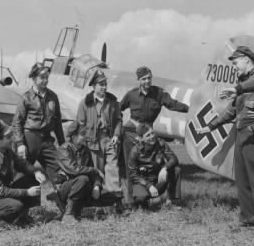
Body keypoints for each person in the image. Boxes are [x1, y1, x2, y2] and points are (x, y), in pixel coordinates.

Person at [196, 46, 254, 233]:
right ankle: (249, 218)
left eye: (236, 62)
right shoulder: (242, 82)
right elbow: (231, 111)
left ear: (247, 59)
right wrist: (210, 127)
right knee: (243, 179)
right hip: (242, 135)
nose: (235, 66)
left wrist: (236, 89)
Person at [120, 66, 189, 208]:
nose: (147, 81)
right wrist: (117, 126)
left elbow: (173, 105)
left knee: (152, 166)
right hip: (131, 134)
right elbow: (117, 109)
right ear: (138, 80)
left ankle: (157, 197)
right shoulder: (131, 95)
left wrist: (190, 109)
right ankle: (131, 202)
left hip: (148, 136)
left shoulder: (159, 93)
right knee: (131, 169)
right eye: (144, 79)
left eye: (149, 78)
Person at [71, 68, 124, 213]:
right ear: (93, 86)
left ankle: (117, 200)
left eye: (105, 84)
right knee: (96, 171)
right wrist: (84, 141)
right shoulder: (85, 103)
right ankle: (95, 202)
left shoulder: (112, 102)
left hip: (108, 139)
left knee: (113, 169)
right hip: (92, 141)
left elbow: (119, 120)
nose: (104, 87)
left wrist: (116, 135)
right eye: (101, 84)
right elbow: (80, 124)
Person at [0, 120, 46, 226]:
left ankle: (22, 215)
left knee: (31, 178)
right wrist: (27, 192)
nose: (12, 139)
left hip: (4, 189)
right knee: (16, 206)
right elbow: (0, 192)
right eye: (8, 137)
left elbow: (23, 164)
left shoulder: (7, 151)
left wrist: (36, 172)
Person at [12, 62, 65, 190]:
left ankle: (66, 207)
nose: (45, 80)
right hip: (30, 139)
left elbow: (57, 122)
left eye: (47, 77)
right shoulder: (26, 98)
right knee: (23, 171)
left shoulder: (53, 97)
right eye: (42, 77)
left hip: (47, 140)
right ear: (34, 78)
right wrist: (20, 144)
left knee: (58, 171)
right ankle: (23, 206)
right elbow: (17, 122)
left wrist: (63, 144)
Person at [48, 124, 104, 223]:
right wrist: (93, 169)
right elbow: (74, 170)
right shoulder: (63, 149)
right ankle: (68, 214)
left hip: (82, 187)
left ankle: (88, 210)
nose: (86, 137)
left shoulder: (85, 150)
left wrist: (96, 186)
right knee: (83, 179)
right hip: (65, 188)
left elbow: (93, 174)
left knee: (109, 194)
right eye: (82, 134)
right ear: (73, 136)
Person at [128, 123, 181, 210]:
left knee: (176, 170)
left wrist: (165, 168)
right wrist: (149, 185)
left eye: (152, 133)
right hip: (144, 182)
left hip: (159, 179)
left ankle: (170, 202)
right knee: (141, 199)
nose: (152, 136)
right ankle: (148, 202)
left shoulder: (161, 143)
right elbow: (133, 174)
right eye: (148, 135)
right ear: (141, 138)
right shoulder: (134, 151)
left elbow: (173, 158)